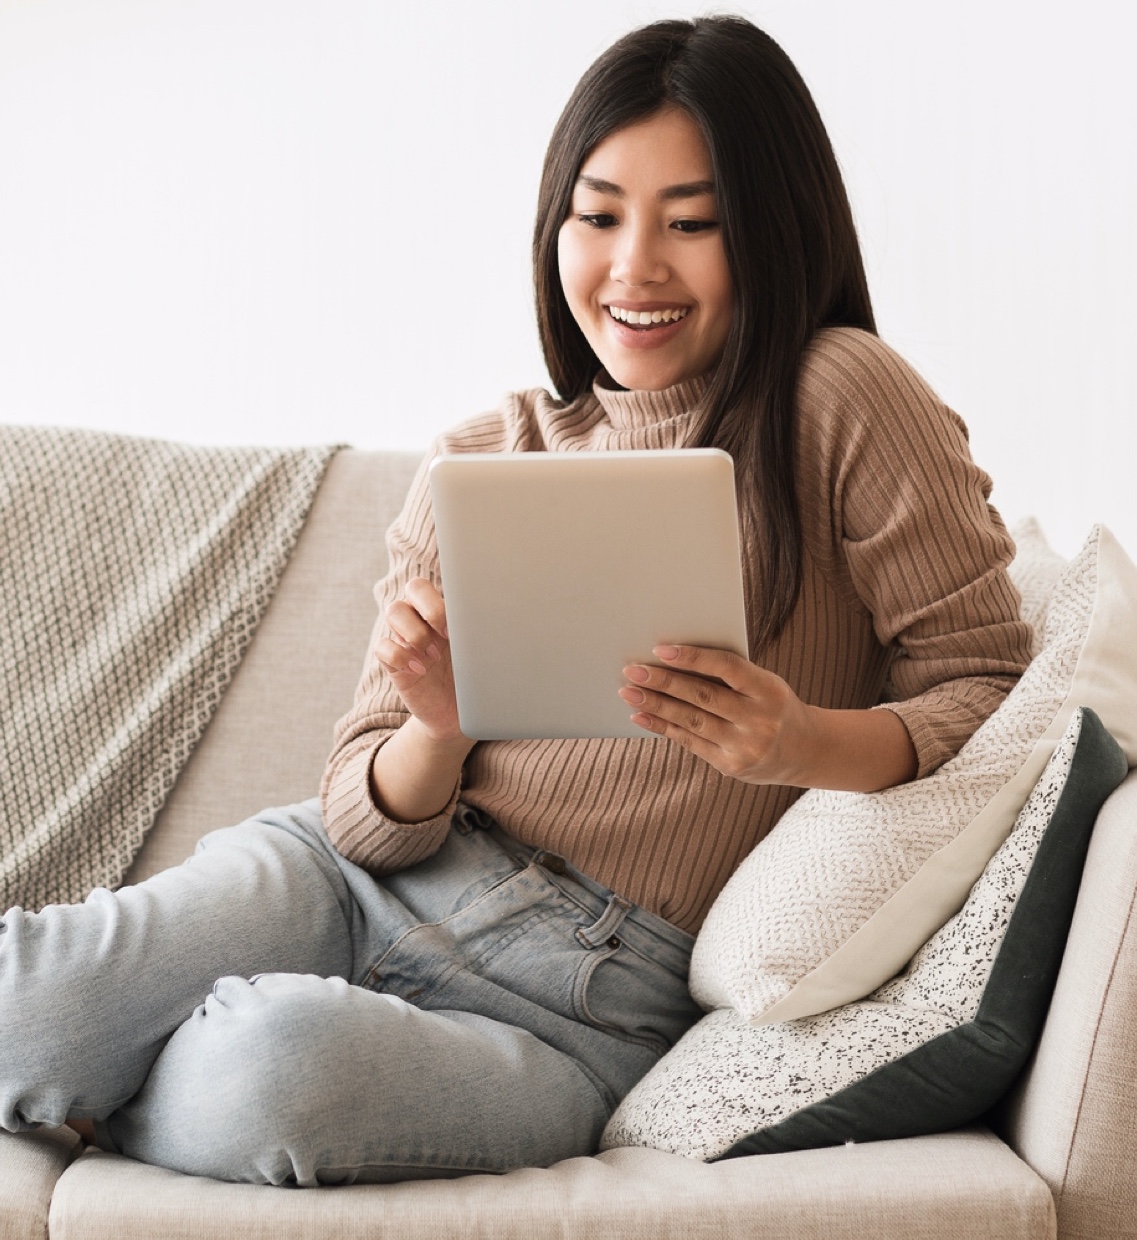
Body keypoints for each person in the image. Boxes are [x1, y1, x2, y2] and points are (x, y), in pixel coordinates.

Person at [0, 16, 1032, 1187]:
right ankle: (104, 1058)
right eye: (597, 216)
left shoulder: (844, 395)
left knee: (264, 1078)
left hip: (585, 1002)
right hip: (353, 886)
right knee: (25, 1008)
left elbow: (988, 686)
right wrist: (437, 723)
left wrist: (796, 741)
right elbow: (361, 813)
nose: (634, 265)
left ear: (773, 230)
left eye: (692, 222)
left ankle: (126, 1077)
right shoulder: (485, 456)